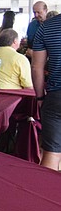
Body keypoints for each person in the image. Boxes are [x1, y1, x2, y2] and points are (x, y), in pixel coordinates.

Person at [31, 12, 61, 170]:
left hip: (56, 97)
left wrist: (40, 97)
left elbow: (37, 68)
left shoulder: (47, 27)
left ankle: (46, 194)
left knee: (51, 153)